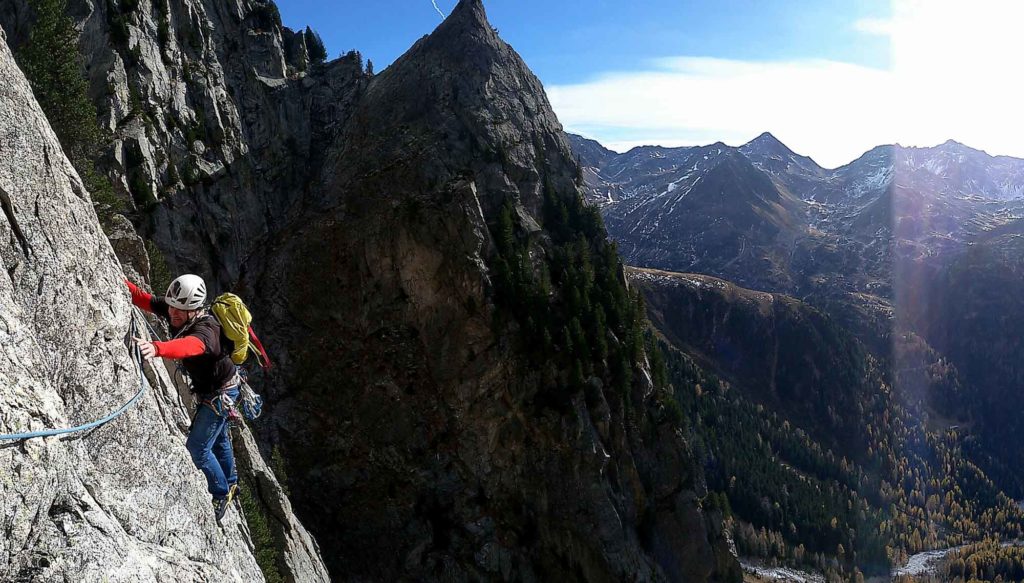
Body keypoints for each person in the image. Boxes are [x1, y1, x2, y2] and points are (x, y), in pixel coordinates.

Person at [126, 274, 240, 522]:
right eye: (172, 308)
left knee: (197, 448)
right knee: (218, 437)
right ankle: (231, 482)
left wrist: (158, 348)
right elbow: (142, 299)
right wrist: (115, 278)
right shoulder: (176, 309)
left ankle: (221, 492)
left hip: (221, 393)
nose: (173, 314)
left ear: (193, 310)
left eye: (180, 311)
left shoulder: (207, 330)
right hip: (214, 389)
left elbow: (190, 346)